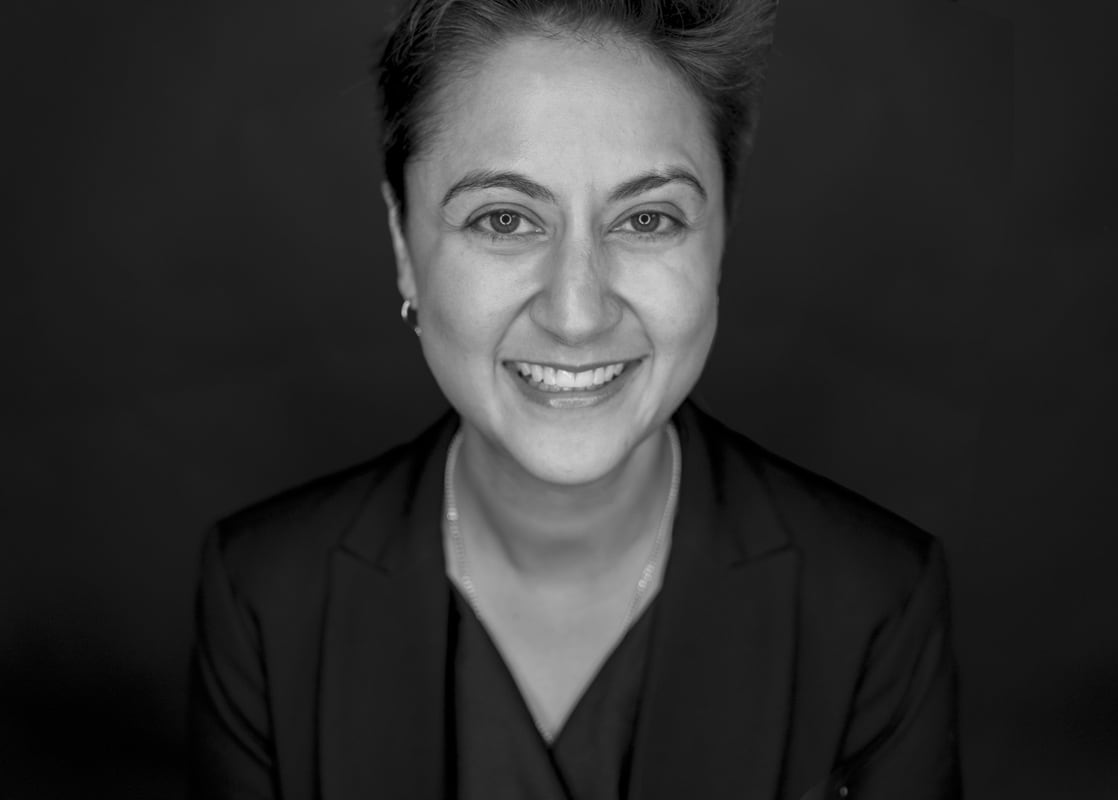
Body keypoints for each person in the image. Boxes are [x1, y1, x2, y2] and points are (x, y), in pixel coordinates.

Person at [188, 0, 962, 797]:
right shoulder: (263, 600)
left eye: (649, 218)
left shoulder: (877, 605)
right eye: (504, 219)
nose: (577, 313)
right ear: (403, 247)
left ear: (722, 236)